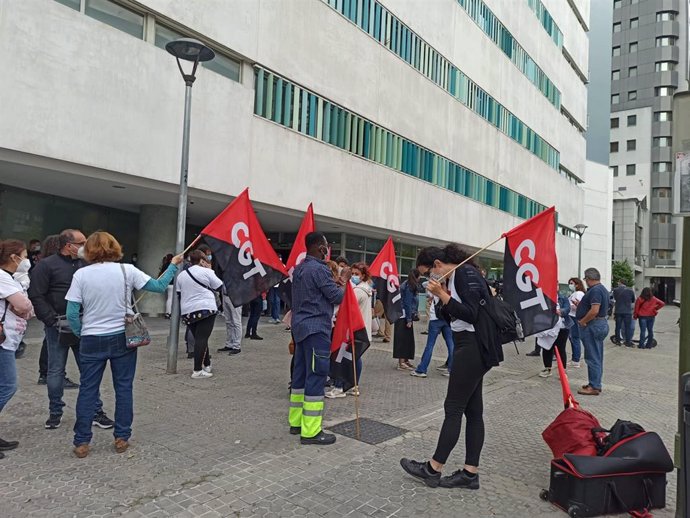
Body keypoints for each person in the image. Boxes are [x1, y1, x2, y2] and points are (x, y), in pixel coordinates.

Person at [65, 231, 183, 458]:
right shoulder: (126, 270)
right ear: (114, 247)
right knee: (123, 387)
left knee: (88, 390)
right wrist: (173, 265)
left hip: (91, 339)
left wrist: (82, 333)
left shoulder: (81, 274)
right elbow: (158, 287)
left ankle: (82, 441)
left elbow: (71, 313)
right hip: (122, 337)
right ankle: (121, 437)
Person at [400, 244, 501, 489]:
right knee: (473, 411)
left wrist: (443, 295)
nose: (427, 279)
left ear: (436, 265)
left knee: (453, 408)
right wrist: (442, 297)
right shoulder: (455, 278)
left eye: (427, 273)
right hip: (470, 345)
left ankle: (433, 468)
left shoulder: (465, 274)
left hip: (473, 346)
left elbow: (472, 313)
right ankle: (470, 473)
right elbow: (454, 316)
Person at [29, 229, 114, 430]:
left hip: (85, 325)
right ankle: (55, 412)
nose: (86, 245)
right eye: (82, 242)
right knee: (56, 370)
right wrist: (51, 320)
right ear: (69, 245)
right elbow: (36, 295)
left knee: (89, 370)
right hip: (57, 325)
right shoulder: (46, 266)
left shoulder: (86, 264)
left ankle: (96, 411)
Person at [288, 232, 344, 445]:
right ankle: (311, 431)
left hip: (300, 328)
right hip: (317, 329)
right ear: (321, 248)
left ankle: (296, 422)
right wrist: (344, 282)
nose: (327, 250)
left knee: (300, 376)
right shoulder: (320, 269)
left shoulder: (301, 267)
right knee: (317, 376)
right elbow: (337, 297)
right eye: (326, 246)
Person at [0, 239, 34, 459]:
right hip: (2, 340)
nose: (26, 260)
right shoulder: (2, 277)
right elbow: (24, 306)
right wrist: (23, 305)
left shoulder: (10, 279)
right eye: (24, 255)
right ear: (14, 258)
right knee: (8, 386)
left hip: (8, 339)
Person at [325, 262, 371, 399]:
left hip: (352, 330)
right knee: (355, 358)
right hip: (360, 330)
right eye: (353, 274)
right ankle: (354, 385)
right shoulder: (365, 288)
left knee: (342, 358)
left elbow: (344, 308)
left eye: (357, 274)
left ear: (363, 276)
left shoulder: (357, 291)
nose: (354, 277)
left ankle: (340, 386)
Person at [176, 250, 223, 379]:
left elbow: (179, 293)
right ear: (202, 260)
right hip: (205, 308)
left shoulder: (182, 275)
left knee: (200, 338)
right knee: (202, 338)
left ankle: (207, 365)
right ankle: (197, 370)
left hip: (188, 311)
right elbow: (219, 286)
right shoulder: (207, 272)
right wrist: (210, 269)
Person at [576, 268, 610, 396]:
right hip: (600, 323)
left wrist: (583, 321)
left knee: (592, 356)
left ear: (588, 279)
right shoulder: (603, 289)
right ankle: (594, 383)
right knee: (597, 354)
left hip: (593, 324)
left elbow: (595, 310)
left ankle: (594, 386)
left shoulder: (595, 290)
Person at [411, 279, 454, 378]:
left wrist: (435, 280)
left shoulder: (435, 290)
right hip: (447, 320)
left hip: (435, 319)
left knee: (430, 345)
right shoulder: (448, 292)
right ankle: (451, 369)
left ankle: (422, 369)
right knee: (451, 344)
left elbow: (424, 284)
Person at [36, 234, 60, 384]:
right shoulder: (49, 266)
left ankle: (45, 372)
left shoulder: (45, 264)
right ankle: (46, 373)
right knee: (52, 345)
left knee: (49, 342)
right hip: (53, 312)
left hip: (50, 312)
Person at [537, 294, 571, 378]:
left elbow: (567, 309)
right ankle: (547, 368)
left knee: (560, 348)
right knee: (547, 347)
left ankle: (563, 371)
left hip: (562, 327)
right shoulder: (543, 297)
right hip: (547, 327)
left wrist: (560, 311)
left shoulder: (563, 297)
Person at [394, 269, 420, 371]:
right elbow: (407, 303)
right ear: (417, 277)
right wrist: (409, 319)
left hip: (405, 315)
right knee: (402, 339)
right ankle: (401, 362)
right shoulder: (409, 286)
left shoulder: (408, 284)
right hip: (404, 316)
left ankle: (406, 360)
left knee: (408, 340)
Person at [567, 277, 586, 368]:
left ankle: (576, 359)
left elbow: (577, 306)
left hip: (574, 317)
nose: (570, 285)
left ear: (577, 284)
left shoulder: (578, 293)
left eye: (572, 283)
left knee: (574, 338)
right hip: (573, 317)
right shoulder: (575, 293)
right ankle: (575, 358)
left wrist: (569, 306)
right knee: (573, 338)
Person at [612, 279, 635, 347]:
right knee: (628, 327)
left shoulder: (615, 290)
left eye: (618, 282)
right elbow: (633, 300)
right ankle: (627, 341)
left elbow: (614, 298)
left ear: (620, 282)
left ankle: (618, 341)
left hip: (618, 311)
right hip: (627, 311)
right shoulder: (630, 290)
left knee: (618, 327)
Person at [159, 253, 174, 318]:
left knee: (168, 298)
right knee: (170, 298)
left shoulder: (164, 265)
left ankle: (167, 312)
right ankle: (169, 313)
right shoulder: (172, 266)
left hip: (166, 283)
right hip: (172, 283)